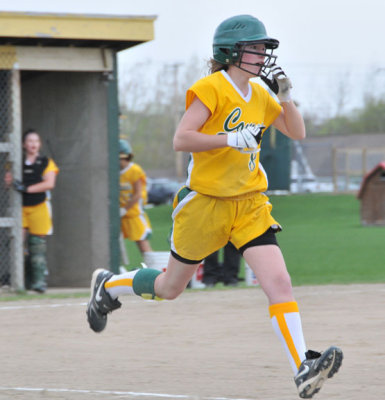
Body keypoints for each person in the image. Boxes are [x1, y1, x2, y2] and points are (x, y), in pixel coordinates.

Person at [86, 15, 342, 399]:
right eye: (254, 48)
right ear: (230, 52)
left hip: (249, 204)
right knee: (170, 287)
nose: (262, 55)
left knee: (280, 283)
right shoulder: (211, 88)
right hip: (204, 203)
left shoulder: (260, 94)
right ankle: (109, 286)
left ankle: (302, 368)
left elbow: (297, 132)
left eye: (263, 49)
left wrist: (286, 97)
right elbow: (181, 139)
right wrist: (228, 139)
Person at [5, 129, 59, 292]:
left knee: (37, 244)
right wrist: (9, 180)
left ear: (40, 144)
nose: (33, 144)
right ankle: (19, 280)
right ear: (23, 144)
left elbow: (49, 183)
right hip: (20, 208)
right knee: (17, 243)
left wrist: (26, 188)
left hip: (39, 207)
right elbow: (8, 182)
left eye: (36, 141)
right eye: (29, 141)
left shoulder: (46, 162)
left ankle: (38, 282)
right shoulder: (16, 162)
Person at [119, 139, 153, 259]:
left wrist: (125, 209)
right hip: (119, 216)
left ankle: (154, 270)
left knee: (143, 245)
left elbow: (138, 194)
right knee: (116, 246)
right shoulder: (115, 172)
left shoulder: (134, 170)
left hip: (133, 214)